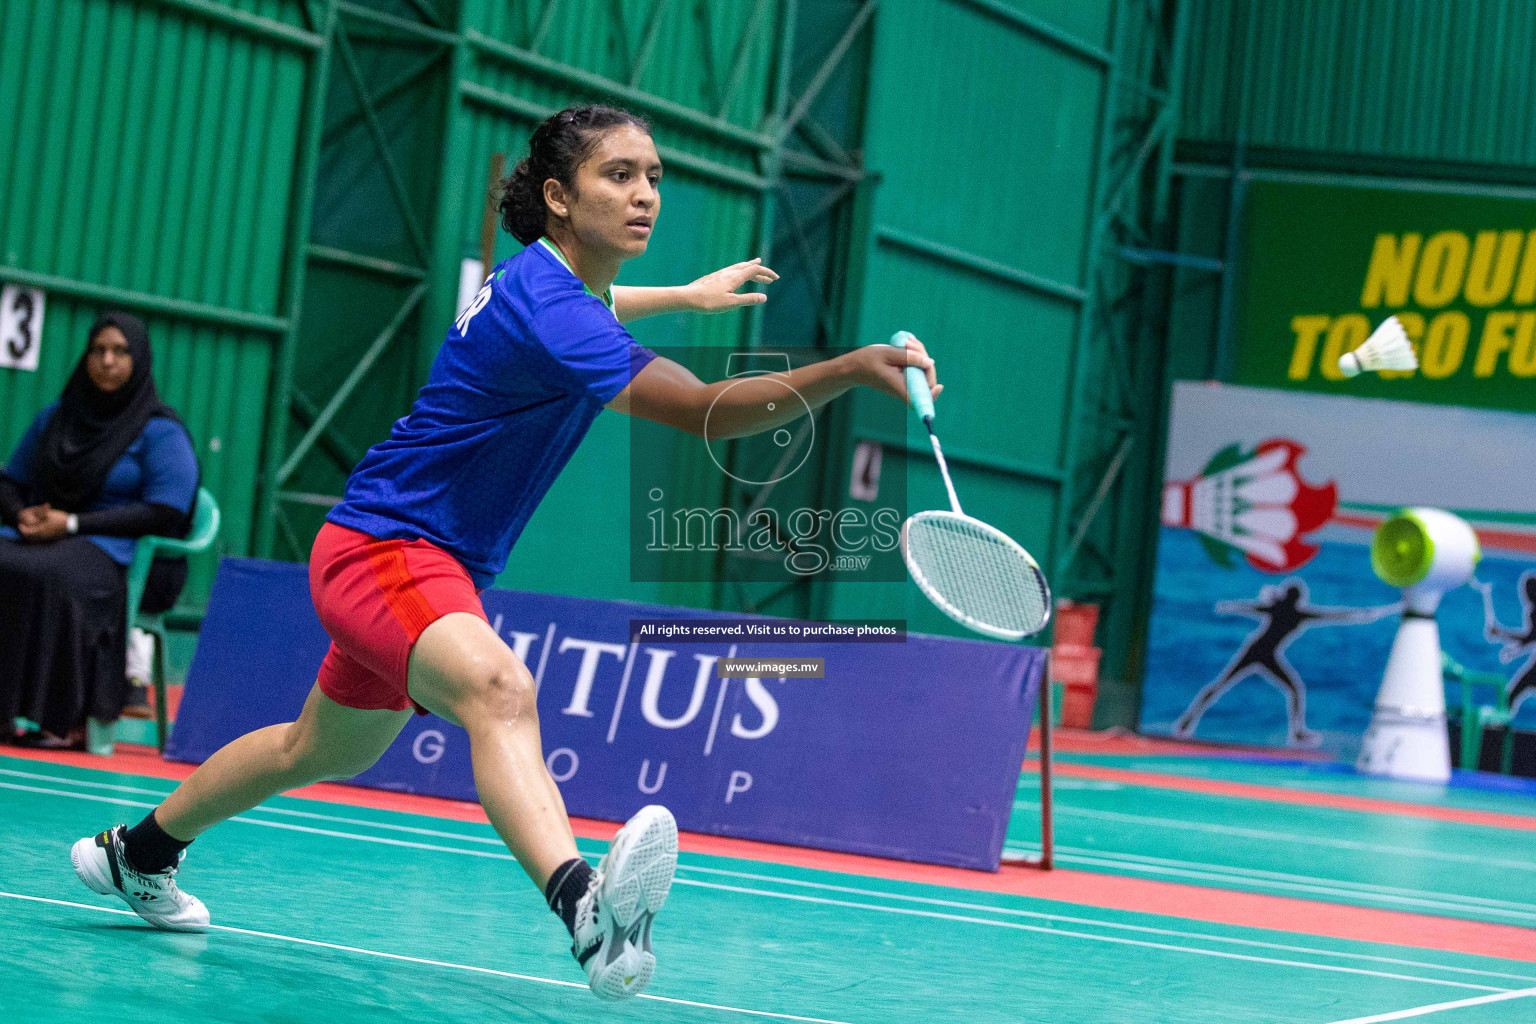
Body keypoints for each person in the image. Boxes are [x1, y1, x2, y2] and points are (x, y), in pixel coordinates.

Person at [70, 104, 941, 1001]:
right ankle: (586, 911)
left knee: (315, 749)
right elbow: (702, 410)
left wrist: (684, 296)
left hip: (413, 553)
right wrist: (848, 368)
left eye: (654, 178)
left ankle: (136, 852)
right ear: (560, 195)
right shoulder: (555, 309)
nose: (645, 195)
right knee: (499, 689)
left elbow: (601, 304)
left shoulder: (547, 282)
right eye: (619, 176)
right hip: (387, 548)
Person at [0, 312, 198, 748]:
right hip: (44, 537)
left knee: (55, 575)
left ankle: (61, 718)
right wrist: (20, 516)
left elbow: (168, 509)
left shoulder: (161, 431)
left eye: (120, 351)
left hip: (121, 553)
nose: (108, 360)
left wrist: (72, 523)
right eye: (98, 350)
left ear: (139, 359)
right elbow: (10, 480)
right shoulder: (57, 417)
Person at [1172, 579, 1398, 746]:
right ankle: (1187, 720)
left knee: (1294, 689)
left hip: (1268, 654)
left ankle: (1298, 732)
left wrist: (1363, 615)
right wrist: (1228, 606)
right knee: (1222, 684)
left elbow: (1334, 615)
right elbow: (1250, 607)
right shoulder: (1285, 610)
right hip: (1255, 650)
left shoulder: (1297, 613)